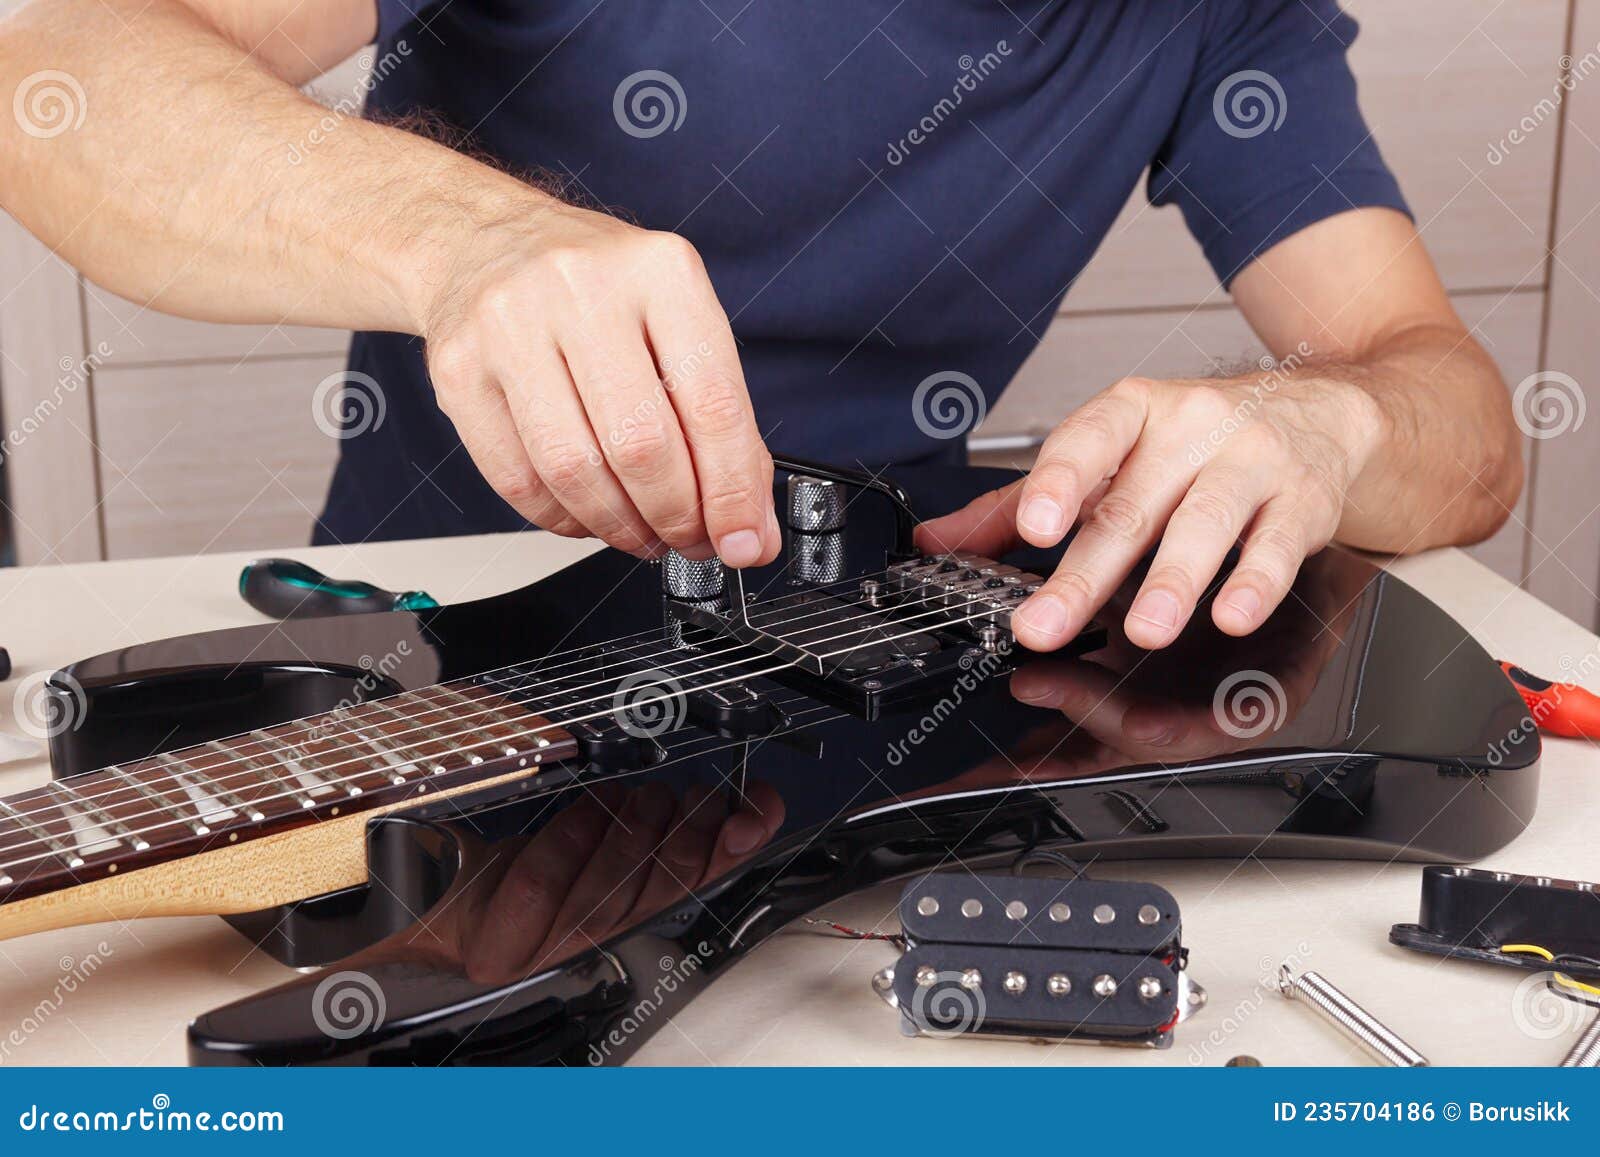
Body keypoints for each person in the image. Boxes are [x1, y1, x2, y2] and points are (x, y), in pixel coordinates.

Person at [0, 1, 1521, 653]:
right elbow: (50, 71)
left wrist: (1331, 422)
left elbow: (1457, 418)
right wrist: (471, 241)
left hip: (854, 673)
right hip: (431, 641)